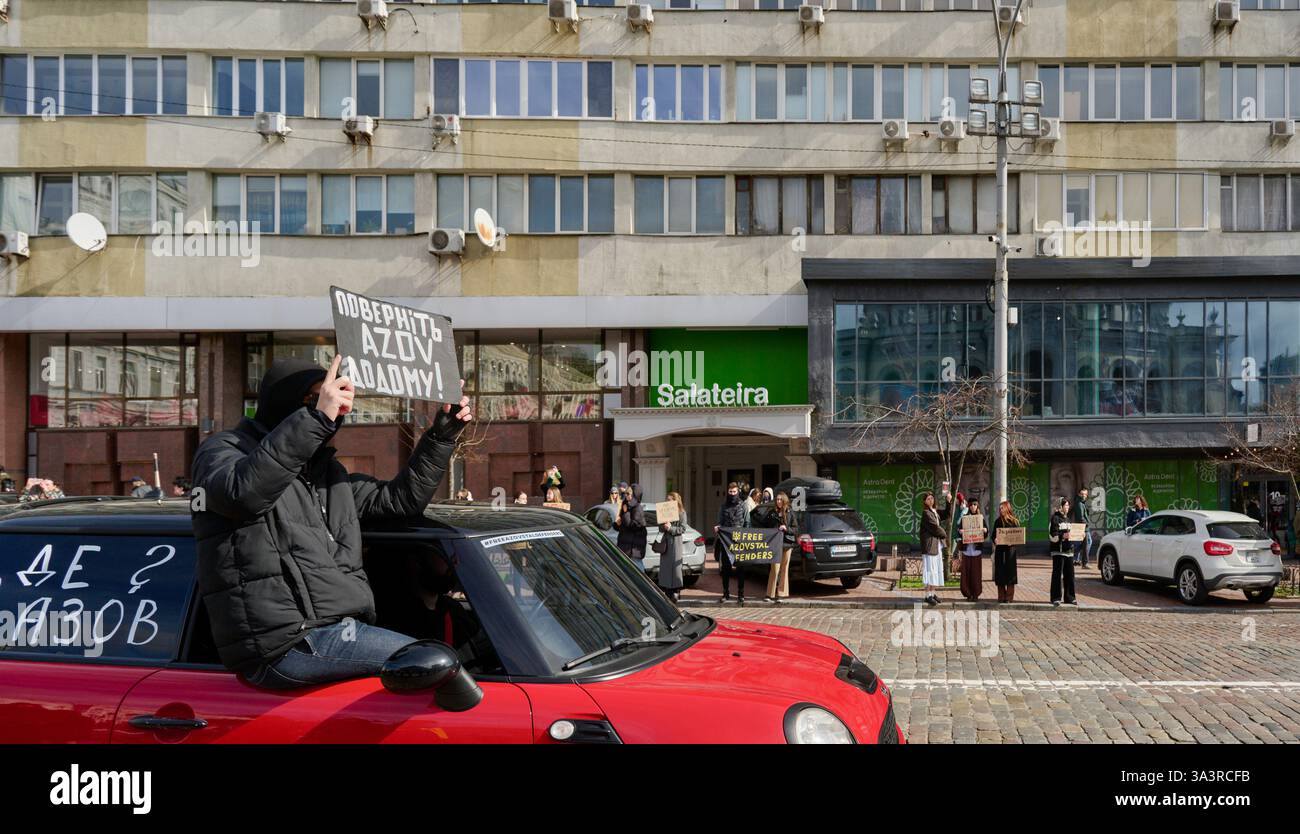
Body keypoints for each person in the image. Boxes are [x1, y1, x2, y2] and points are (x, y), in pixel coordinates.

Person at [190, 356, 471, 689]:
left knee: (451, 659)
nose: (334, 407)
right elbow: (243, 494)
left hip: (338, 631)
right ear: (288, 402)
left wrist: (441, 435)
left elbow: (400, 501)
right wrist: (315, 418)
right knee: (439, 668)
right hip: (286, 643)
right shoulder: (222, 451)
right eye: (317, 397)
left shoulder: (326, 474)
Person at [760, 491, 798, 604]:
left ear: (785, 500)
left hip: (787, 544)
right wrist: (771, 515)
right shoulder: (773, 512)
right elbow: (763, 522)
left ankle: (781, 594)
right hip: (775, 544)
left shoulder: (790, 512)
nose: (778, 501)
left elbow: (796, 529)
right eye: (777, 499)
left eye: (780, 499)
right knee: (774, 569)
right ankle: (769, 594)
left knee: (784, 569)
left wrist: (786, 528)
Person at [715, 482, 748, 604]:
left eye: (734, 492)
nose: (732, 494)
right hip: (726, 542)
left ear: (738, 492)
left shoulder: (743, 506)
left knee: (740, 568)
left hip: (739, 542)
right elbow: (720, 521)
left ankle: (741, 594)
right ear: (728, 492)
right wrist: (718, 527)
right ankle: (725, 593)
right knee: (726, 568)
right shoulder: (723, 506)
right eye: (730, 492)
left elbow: (747, 523)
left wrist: (745, 536)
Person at [919, 490, 950, 606]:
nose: (931, 500)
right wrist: (945, 534)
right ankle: (927, 595)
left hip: (936, 546)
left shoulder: (934, 512)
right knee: (930, 571)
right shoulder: (926, 513)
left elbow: (947, 514)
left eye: (932, 498)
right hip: (930, 546)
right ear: (925, 501)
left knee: (935, 570)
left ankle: (932, 593)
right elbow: (935, 528)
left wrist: (948, 501)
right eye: (928, 499)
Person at [657, 491, 687, 602]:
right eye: (667, 500)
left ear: (675, 501)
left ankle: (676, 591)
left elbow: (683, 529)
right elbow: (660, 528)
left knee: (675, 568)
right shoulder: (664, 512)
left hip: (676, 542)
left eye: (669, 500)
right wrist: (664, 526)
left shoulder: (682, 513)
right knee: (665, 567)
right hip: (666, 542)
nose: (667, 502)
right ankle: (667, 590)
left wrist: (671, 528)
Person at [613, 482, 647, 572]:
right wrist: (617, 524)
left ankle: (644, 586)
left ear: (635, 495)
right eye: (625, 493)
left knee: (638, 571)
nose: (626, 496)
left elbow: (634, 526)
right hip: (625, 545)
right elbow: (622, 527)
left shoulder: (637, 508)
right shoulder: (626, 506)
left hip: (633, 548)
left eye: (628, 494)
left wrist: (626, 513)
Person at [1049, 497, 1077, 606]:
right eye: (1066, 505)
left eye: (1068, 505)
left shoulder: (1068, 519)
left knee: (1070, 575)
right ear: (1060, 506)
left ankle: (1070, 597)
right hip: (1058, 551)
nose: (1067, 507)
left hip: (1069, 551)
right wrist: (1062, 536)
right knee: (1057, 575)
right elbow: (1052, 535)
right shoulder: (1055, 518)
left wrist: (1079, 536)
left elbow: (1072, 534)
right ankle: (1056, 598)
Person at [991, 500, 1020, 603]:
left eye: (1002, 508)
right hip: (1000, 551)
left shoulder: (1014, 522)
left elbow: (1018, 536)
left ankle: (1009, 597)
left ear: (1007, 508)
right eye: (999, 508)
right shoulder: (997, 521)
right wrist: (995, 540)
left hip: (1010, 552)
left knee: (1010, 574)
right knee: (1000, 574)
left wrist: (1012, 542)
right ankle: (1001, 596)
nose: (1000, 510)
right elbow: (993, 535)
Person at [959, 497, 986, 601]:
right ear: (969, 506)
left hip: (976, 550)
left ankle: (975, 593)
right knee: (966, 573)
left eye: (975, 505)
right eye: (971, 505)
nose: (973, 507)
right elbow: (959, 530)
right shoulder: (965, 518)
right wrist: (960, 532)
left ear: (977, 506)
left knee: (976, 573)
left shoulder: (980, 518)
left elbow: (986, 531)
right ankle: (967, 593)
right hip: (967, 550)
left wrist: (985, 530)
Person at [1069, 486, 1091, 568]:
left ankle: (1074, 558)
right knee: (1087, 543)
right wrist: (1087, 523)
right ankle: (1084, 563)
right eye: (1082, 494)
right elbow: (1080, 517)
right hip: (1083, 527)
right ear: (1079, 494)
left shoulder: (1081, 503)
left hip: (1084, 526)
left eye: (1085, 494)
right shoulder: (1079, 503)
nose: (1084, 496)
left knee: (1085, 543)